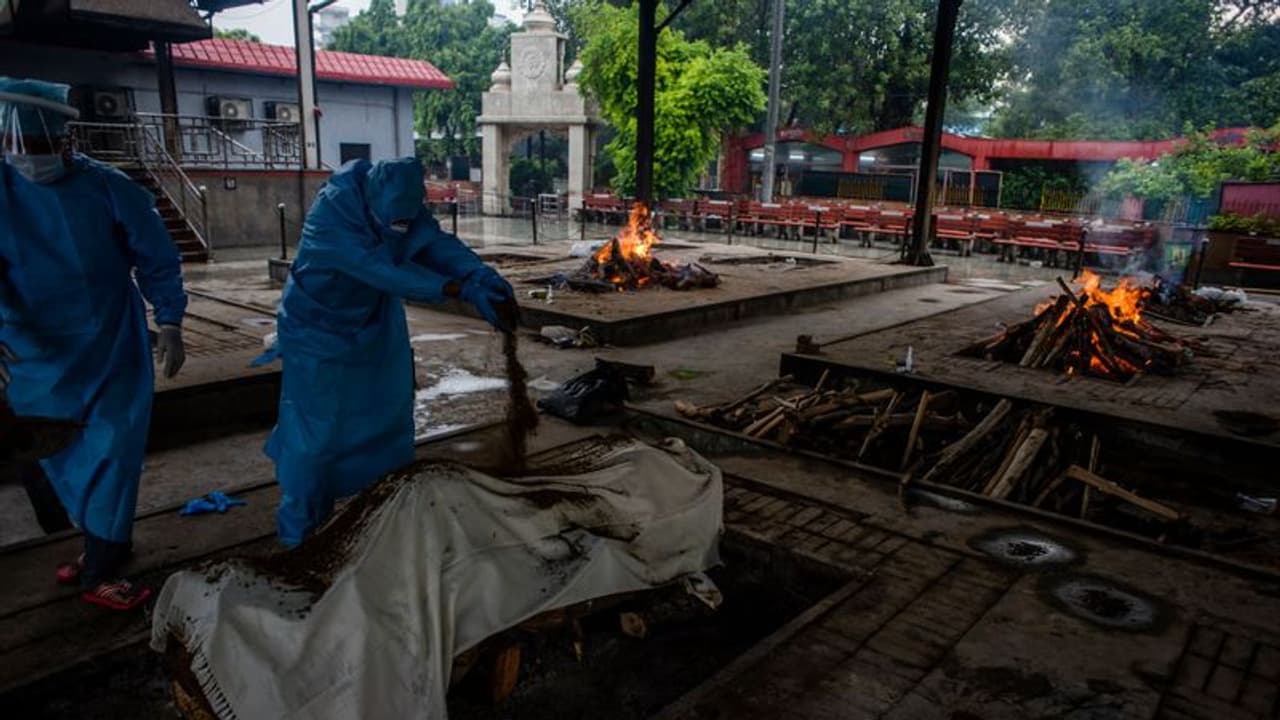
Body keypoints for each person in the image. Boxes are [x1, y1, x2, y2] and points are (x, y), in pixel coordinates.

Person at [0, 78, 188, 610]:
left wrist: (170, 320)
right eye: (18, 146)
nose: (29, 157)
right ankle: (100, 549)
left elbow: (157, 256)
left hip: (108, 343)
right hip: (32, 352)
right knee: (54, 453)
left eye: (40, 143)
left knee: (112, 448)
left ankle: (100, 568)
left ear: (63, 136)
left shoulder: (108, 188)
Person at [267, 157, 513, 547]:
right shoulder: (330, 220)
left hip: (375, 322)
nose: (401, 228)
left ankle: (385, 516)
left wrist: (479, 274)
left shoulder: (399, 206)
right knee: (315, 436)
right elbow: (384, 271)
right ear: (371, 203)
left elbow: (434, 244)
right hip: (317, 331)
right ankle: (300, 532)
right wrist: (457, 289)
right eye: (394, 222)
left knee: (388, 417)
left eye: (407, 219)